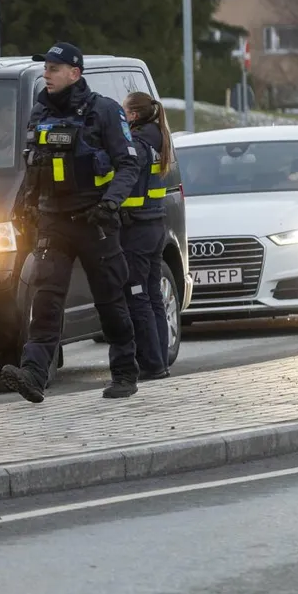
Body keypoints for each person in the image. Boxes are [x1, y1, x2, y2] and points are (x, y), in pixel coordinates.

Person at [0, 42, 142, 403]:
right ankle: (33, 373)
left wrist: (111, 204)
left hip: (95, 220)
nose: (46, 74)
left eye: (53, 68)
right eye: (45, 68)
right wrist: (25, 205)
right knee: (46, 299)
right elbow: (34, 165)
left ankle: (125, 371)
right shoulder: (39, 113)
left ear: (74, 73)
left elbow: (129, 164)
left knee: (110, 299)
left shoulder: (105, 112)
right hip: (54, 222)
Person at [121, 92, 173, 381]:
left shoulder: (138, 144)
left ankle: (152, 364)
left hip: (138, 230)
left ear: (134, 116)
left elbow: (125, 174)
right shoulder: (157, 139)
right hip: (154, 227)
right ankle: (160, 360)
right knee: (153, 296)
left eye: (123, 111)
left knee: (138, 295)